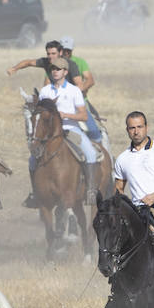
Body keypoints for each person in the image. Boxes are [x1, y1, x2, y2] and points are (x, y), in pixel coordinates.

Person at [103, 111, 154, 308]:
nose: (136, 131)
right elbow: (118, 188)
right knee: (116, 245)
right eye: (132, 127)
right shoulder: (122, 159)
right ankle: (117, 294)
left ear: (146, 127)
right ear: (127, 130)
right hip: (137, 211)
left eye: (139, 127)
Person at [37, 57, 100, 201]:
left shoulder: (74, 91)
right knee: (32, 160)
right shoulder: (45, 91)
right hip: (49, 133)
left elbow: (84, 116)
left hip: (71, 128)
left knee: (90, 153)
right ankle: (35, 193)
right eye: (53, 69)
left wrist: (65, 115)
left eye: (58, 69)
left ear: (65, 72)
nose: (55, 71)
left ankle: (90, 190)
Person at [8, 40, 83, 89]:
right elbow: (28, 62)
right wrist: (15, 68)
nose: (50, 56)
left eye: (53, 53)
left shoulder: (70, 64)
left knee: (86, 114)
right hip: (55, 96)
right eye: (48, 54)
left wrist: (69, 96)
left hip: (73, 99)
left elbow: (79, 85)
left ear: (60, 52)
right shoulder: (46, 62)